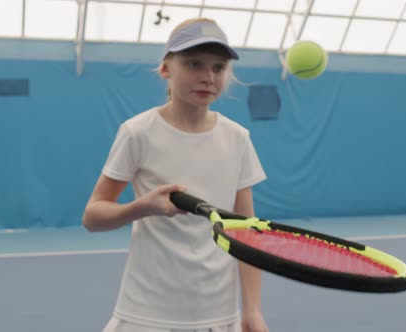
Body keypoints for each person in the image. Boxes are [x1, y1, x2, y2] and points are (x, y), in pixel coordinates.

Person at [83, 17, 269, 332]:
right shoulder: (137, 133)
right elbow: (93, 216)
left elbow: (246, 233)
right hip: (146, 316)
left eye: (218, 68)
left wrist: (252, 311)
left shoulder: (238, 139)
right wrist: (143, 206)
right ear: (167, 70)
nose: (208, 77)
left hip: (220, 318)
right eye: (194, 64)